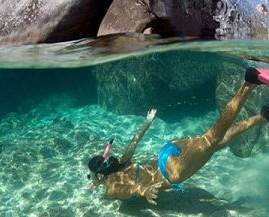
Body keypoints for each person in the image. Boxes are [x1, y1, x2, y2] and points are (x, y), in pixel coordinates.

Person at [87, 67, 269, 205]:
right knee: (216, 143)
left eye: (91, 177)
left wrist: (144, 192)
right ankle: (260, 118)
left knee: (212, 138)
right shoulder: (122, 162)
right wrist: (148, 121)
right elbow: (135, 140)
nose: (91, 179)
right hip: (166, 152)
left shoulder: (111, 188)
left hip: (172, 172)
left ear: (101, 177)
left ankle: (248, 84)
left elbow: (130, 189)